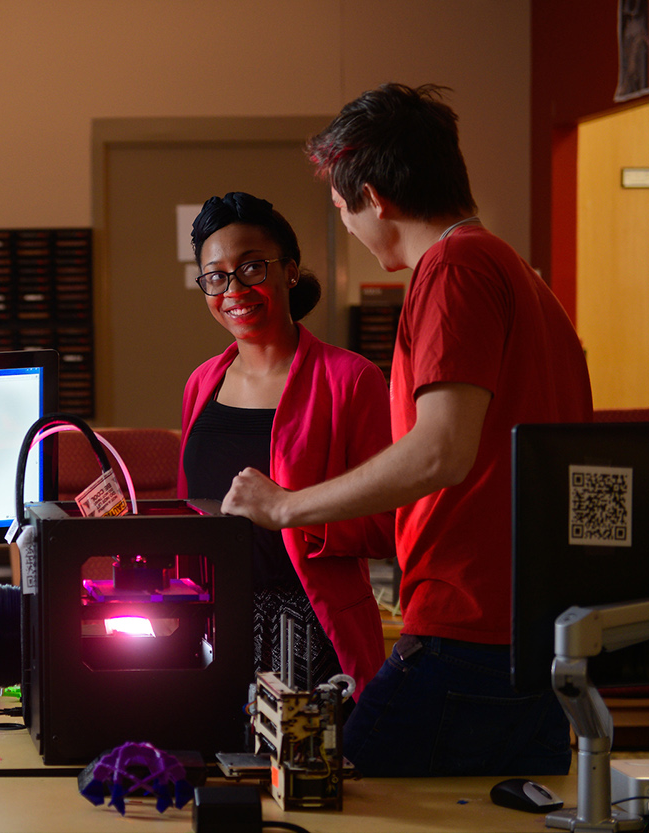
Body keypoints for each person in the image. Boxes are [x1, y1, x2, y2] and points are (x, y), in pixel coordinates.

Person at [221, 83, 593, 777]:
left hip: (467, 630)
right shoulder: (525, 278)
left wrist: (284, 505)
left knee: (330, 796)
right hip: (535, 634)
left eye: (342, 208)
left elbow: (442, 451)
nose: (351, 230)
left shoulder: (452, 269)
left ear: (376, 199)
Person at [178, 192, 390, 701]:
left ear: (290, 271)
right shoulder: (202, 382)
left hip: (313, 629)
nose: (234, 289)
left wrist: (289, 511)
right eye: (216, 275)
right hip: (212, 630)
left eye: (252, 267)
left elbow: (389, 526)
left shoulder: (350, 380)